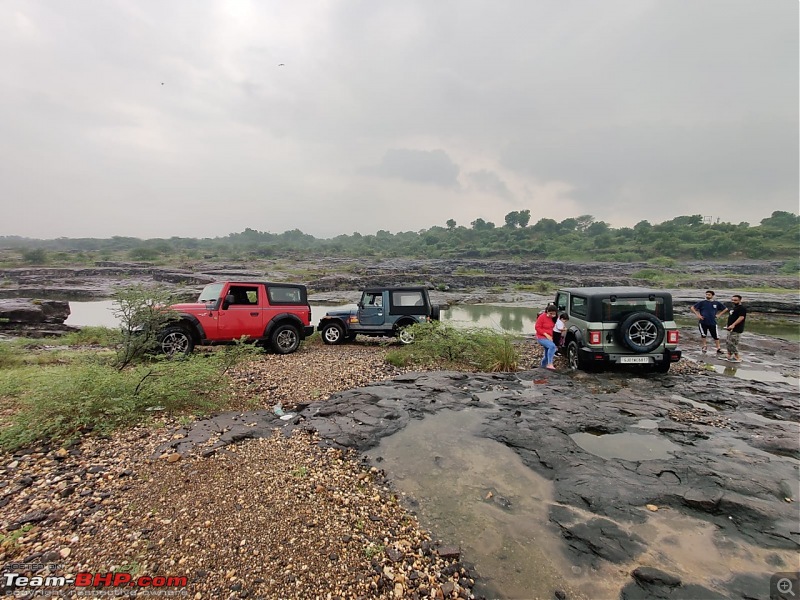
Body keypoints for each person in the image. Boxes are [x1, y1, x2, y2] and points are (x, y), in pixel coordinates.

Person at [690, 290, 728, 354]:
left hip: (712, 322)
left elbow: (725, 309)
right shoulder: (702, 302)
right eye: (706, 294)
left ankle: (718, 348)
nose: (707, 296)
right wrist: (698, 315)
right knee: (703, 334)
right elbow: (692, 308)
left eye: (709, 295)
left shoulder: (716, 303)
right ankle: (704, 346)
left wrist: (719, 315)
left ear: (712, 296)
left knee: (716, 336)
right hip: (703, 321)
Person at [724, 295, 747, 363]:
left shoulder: (742, 308)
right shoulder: (734, 308)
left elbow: (741, 317)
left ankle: (737, 357)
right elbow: (732, 317)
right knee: (728, 342)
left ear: (740, 300)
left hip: (737, 328)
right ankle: (729, 355)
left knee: (733, 343)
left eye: (735, 300)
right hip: (730, 328)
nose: (733, 301)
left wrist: (733, 325)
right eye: (732, 300)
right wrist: (728, 325)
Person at [535, 304, 558, 370]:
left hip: (550, 338)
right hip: (541, 337)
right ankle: (550, 364)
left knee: (547, 354)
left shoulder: (555, 318)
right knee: (552, 347)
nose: (552, 315)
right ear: (547, 311)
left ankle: (542, 366)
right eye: (550, 313)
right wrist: (546, 334)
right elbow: (537, 327)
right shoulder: (542, 317)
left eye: (554, 314)